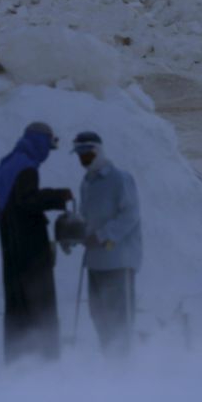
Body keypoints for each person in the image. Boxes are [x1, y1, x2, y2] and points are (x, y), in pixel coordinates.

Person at [0, 122, 72, 364]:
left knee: (16, 305)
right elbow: (27, 200)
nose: (47, 153)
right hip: (31, 251)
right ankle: (44, 363)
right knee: (39, 303)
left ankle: (17, 362)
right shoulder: (27, 168)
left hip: (10, 249)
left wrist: (10, 226)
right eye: (48, 145)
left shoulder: (5, 166)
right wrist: (58, 196)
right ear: (39, 142)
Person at [72, 131, 142, 356]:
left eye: (86, 153)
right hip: (94, 263)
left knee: (119, 318)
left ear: (98, 151)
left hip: (118, 261)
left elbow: (130, 215)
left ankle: (123, 370)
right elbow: (86, 216)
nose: (82, 159)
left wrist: (102, 236)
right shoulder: (87, 182)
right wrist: (74, 230)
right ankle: (110, 366)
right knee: (99, 316)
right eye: (79, 154)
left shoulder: (120, 178)